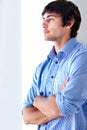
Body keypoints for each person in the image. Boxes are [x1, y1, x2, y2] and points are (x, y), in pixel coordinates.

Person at [22, 0, 87, 130]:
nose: (43, 24)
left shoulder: (82, 57)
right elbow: (26, 116)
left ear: (69, 23)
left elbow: (65, 107)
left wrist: (39, 101)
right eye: (43, 19)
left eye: (50, 19)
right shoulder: (42, 68)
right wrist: (54, 102)